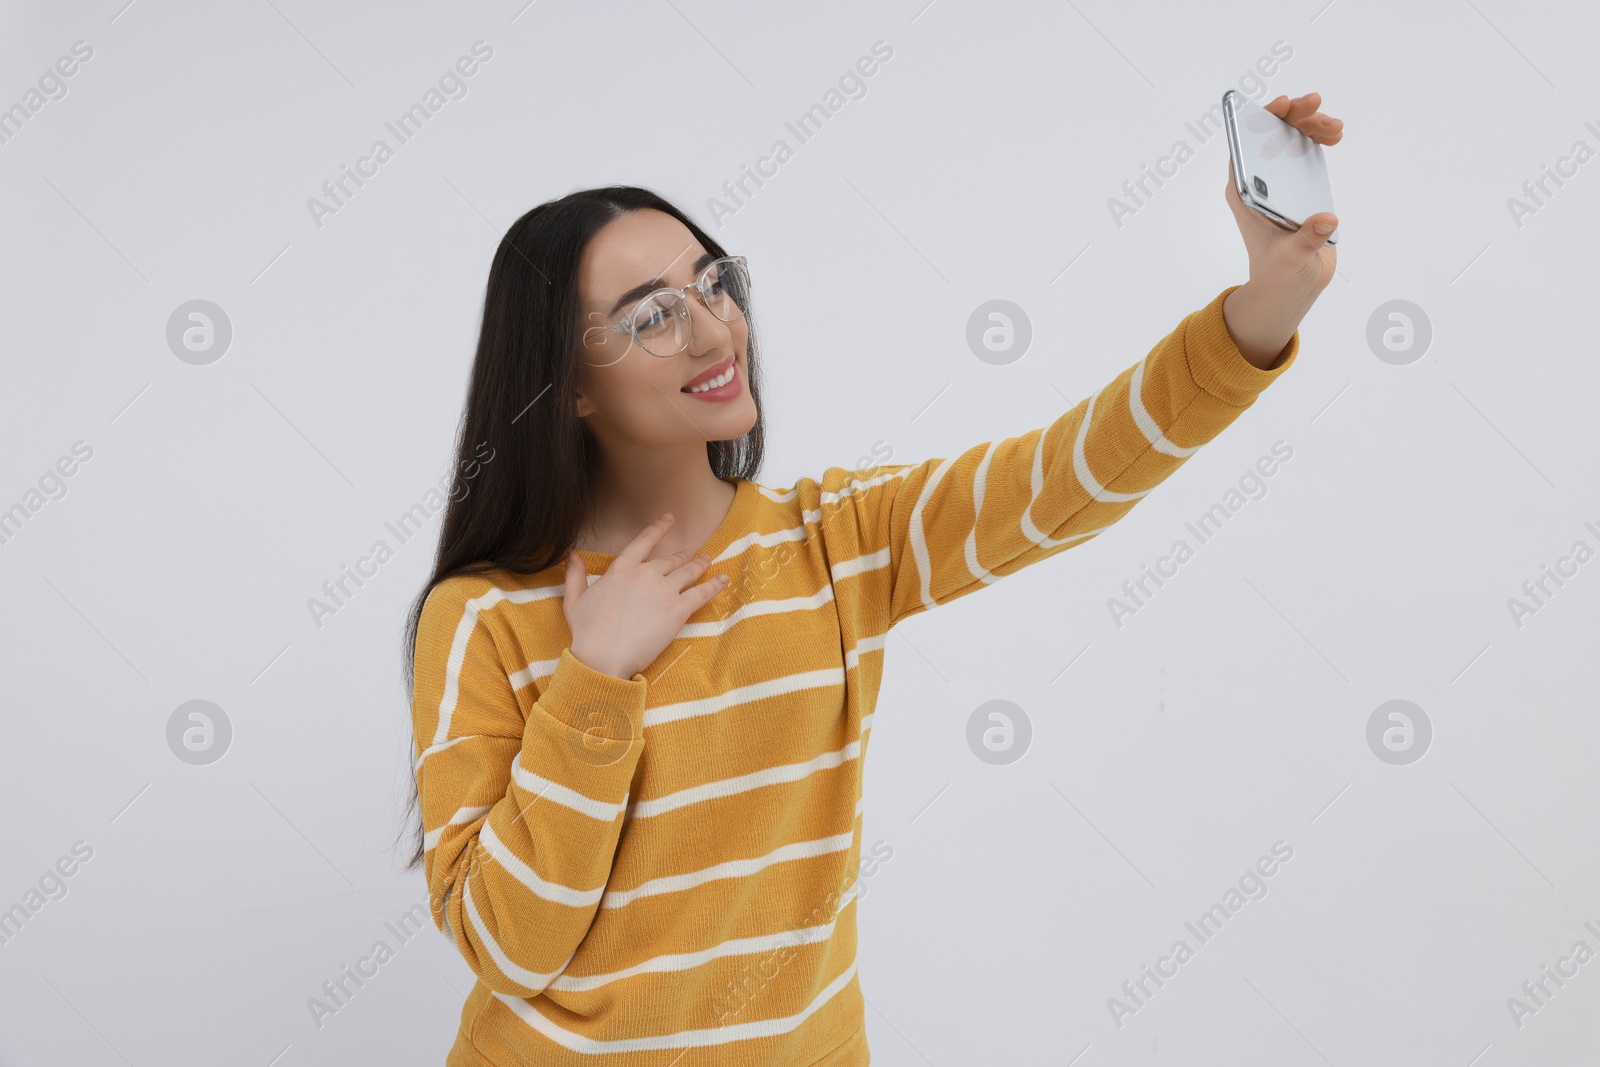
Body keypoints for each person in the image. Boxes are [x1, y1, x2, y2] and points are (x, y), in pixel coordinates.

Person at [399, 92, 1343, 1066]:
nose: (716, 333)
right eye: (652, 316)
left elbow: (1068, 475)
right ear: (574, 384)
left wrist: (1265, 303)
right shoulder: (481, 618)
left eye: (713, 281)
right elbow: (512, 946)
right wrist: (594, 681)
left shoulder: (835, 542)